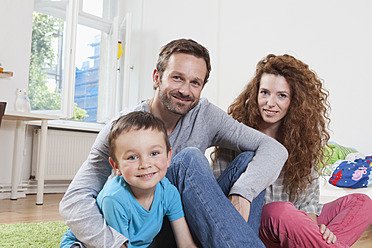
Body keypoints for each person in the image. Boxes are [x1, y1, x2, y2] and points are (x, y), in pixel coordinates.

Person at [59, 39, 288, 248]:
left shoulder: (206, 115)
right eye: (177, 77)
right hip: (145, 227)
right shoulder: (123, 128)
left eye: (195, 83)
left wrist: (242, 193)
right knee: (189, 158)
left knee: (248, 161)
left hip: (185, 221)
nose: (185, 90)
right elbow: (73, 201)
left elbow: (274, 149)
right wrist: (116, 243)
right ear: (157, 77)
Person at [212, 54, 372, 248]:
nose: (270, 103)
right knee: (280, 211)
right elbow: (220, 193)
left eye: (281, 95)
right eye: (264, 92)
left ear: (294, 101)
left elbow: (308, 202)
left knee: (362, 202)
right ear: (255, 94)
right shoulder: (237, 134)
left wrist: (313, 231)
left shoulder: (303, 140)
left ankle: (318, 244)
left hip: (296, 223)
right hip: (261, 225)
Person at [60, 111, 197, 248]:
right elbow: (117, 245)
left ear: (168, 157)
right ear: (116, 166)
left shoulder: (169, 192)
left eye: (154, 153)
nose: (145, 164)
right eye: (132, 157)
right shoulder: (114, 198)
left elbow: (185, 243)